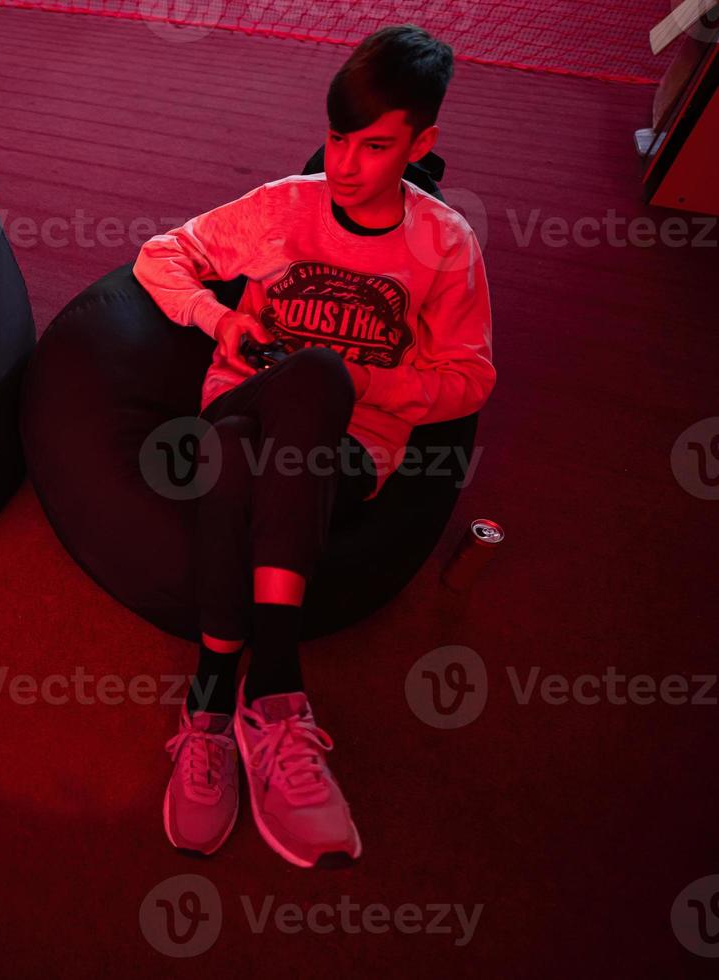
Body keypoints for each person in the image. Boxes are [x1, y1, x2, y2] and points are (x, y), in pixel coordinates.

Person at [134, 25, 495, 866]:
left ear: (421, 143)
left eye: (374, 146)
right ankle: (277, 694)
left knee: (314, 391)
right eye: (336, 138)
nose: (343, 163)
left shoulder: (445, 245)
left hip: (350, 448)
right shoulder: (281, 206)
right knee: (268, 415)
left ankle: (212, 702)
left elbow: (471, 378)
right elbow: (160, 258)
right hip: (243, 407)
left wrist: (362, 383)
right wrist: (222, 320)